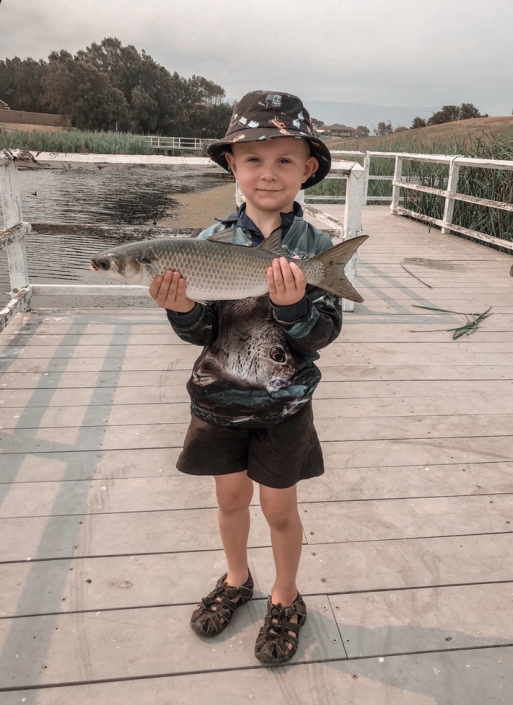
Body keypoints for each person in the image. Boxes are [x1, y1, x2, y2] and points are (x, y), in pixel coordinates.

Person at [149, 90, 345, 666]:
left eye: (284, 159)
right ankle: (238, 577)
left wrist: (292, 308)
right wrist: (181, 308)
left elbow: (321, 335)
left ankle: (286, 593)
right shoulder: (205, 243)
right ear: (232, 165)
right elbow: (201, 331)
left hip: (284, 407)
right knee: (230, 499)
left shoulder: (315, 247)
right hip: (218, 401)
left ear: (308, 170)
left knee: (280, 508)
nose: (268, 173)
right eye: (253, 158)